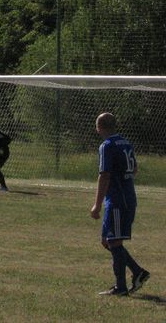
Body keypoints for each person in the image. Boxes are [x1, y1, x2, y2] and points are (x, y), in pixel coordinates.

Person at [90, 112, 149, 296]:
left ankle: (121, 287)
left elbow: (104, 175)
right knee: (107, 241)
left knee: (114, 242)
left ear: (99, 127)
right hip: (127, 197)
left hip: (117, 200)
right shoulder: (126, 142)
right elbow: (135, 169)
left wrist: (97, 205)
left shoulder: (107, 146)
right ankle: (138, 272)